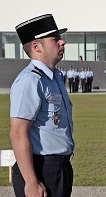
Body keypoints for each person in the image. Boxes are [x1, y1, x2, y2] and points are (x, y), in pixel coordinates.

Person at [10, 14, 74, 197]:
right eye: (55, 39)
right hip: (40, 169)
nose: (63, 42)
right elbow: (18, 132)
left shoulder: (55, 77)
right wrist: (31, 182)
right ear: (36, 47)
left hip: (59, 167)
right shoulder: (30, 80)